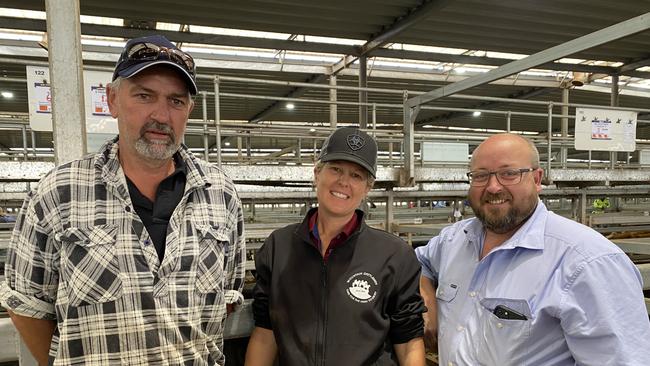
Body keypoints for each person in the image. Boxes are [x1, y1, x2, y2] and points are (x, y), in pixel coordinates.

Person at [0, 35, 245, 365]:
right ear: (112, 99)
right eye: (144, 95)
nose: (161, 114)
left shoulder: (221, 194)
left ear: (189, 110)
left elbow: (225, 301)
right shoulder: (59, 193)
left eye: (175, 101)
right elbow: (27, 307)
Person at [415, 133, 650, 365]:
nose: (493, 187)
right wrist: (428, 306)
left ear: (537, 179)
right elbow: (418, 264)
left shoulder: (589, 262)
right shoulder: (453, 240)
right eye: (481, 175)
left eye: (509, 174)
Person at [245, 127, 426, 365]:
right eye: (336, 169)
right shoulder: (279, 247)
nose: (344, 182)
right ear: (317, 173)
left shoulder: (394, 255)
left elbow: (409, 343)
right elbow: (265, 334)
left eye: (357, 175)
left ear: (367, 188)